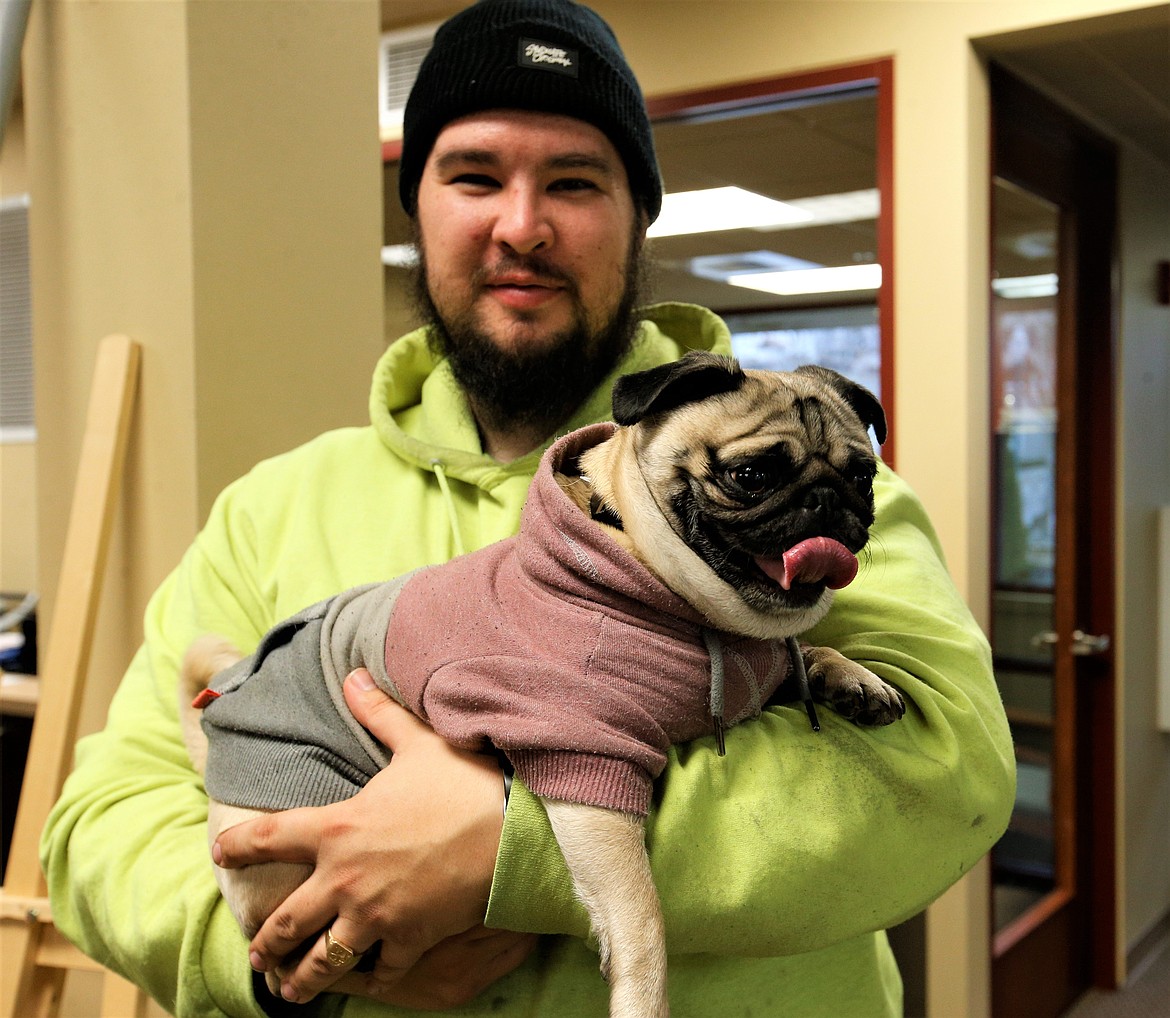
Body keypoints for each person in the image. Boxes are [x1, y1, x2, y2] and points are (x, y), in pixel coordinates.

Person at [40, 1, 1015, 1015]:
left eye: (574, 181)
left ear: (639, 216)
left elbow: (947, 776)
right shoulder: (277, 505)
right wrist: (287, 949)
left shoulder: (800, 498)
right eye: (473, 175)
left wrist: (498, 842)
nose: (521, 224)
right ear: (414, 207)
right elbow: (102, 824)